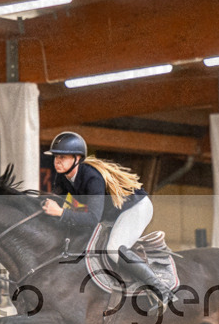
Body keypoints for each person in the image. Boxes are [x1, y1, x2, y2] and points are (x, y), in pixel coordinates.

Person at [40, 131, 177, 308]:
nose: (57, 161)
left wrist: (61, 213)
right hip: (113, 214)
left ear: (77, 158)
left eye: (63, 157)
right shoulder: (63, 177)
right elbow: (55, 203)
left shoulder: (92, 177)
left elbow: (92, 218)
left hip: (135, 208)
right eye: (56, 157)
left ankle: (161, 290)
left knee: (114, 249)